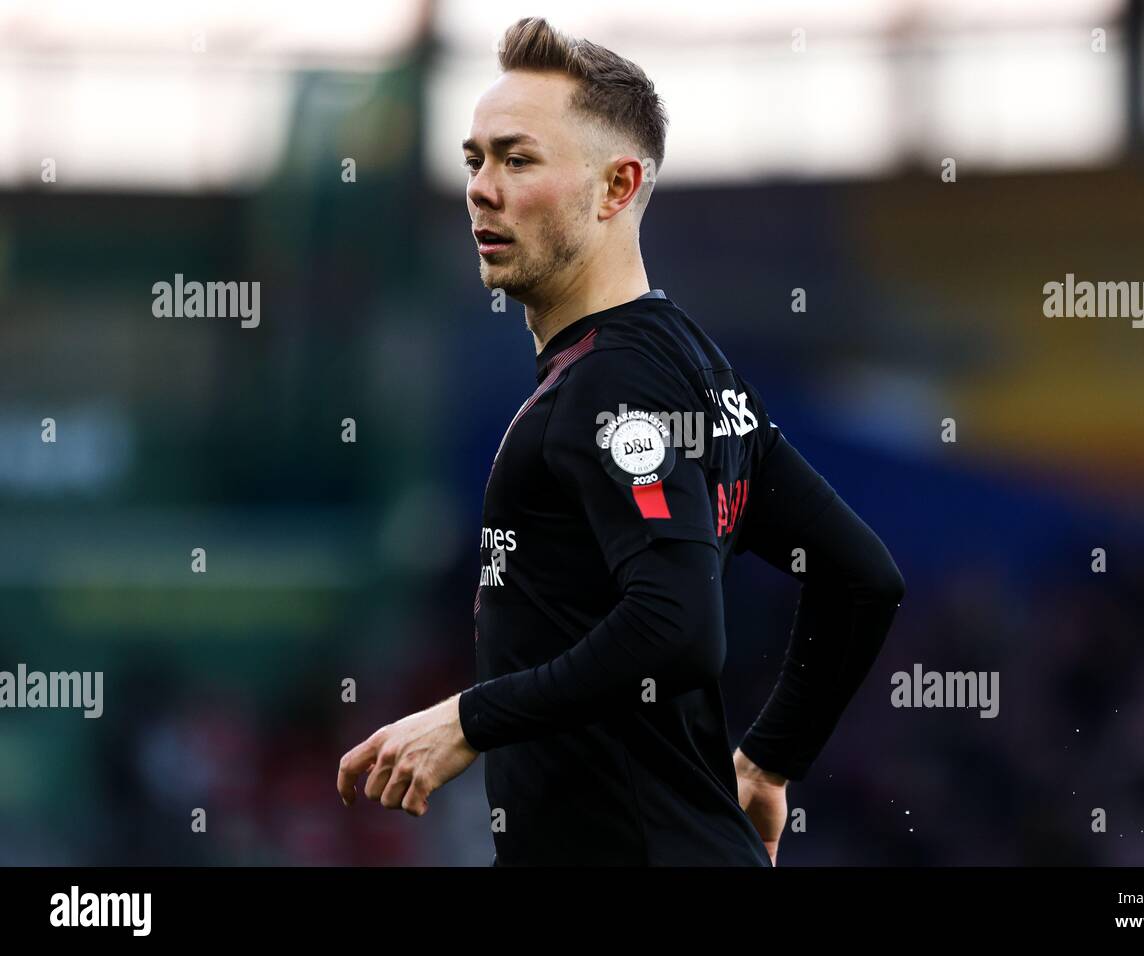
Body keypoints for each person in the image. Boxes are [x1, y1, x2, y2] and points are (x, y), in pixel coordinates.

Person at [337, 16, 905, 866]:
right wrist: (770, 760)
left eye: (517, 159)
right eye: (474, 159)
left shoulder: (616, 384)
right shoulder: (687, 360)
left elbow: (677, 627)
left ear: (616, 187)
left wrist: (466, 719)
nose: (481, 188)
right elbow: (860, 578)